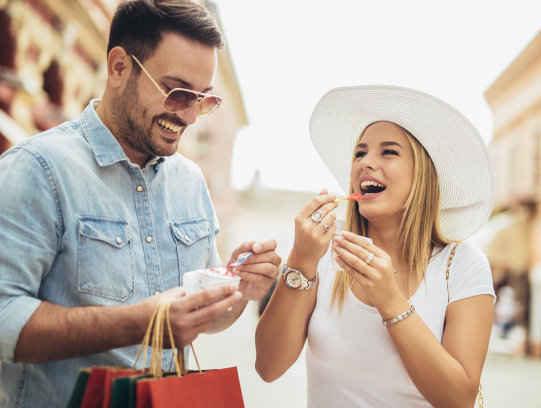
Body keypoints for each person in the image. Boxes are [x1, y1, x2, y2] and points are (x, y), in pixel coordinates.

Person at [0, 1, 280, 406]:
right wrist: (138, 324)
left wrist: (237, 290)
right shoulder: (38, 169)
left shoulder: (191, 182)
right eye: (177, 91)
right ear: (118, 68)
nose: (189, 116)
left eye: (202, 99)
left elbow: (203, 318)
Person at [255, 85, 497, 407]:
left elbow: (458, 399)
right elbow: (268, 367)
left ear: (422, 174)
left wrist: (390, 300)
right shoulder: (324, 251)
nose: (366, 163)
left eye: (388, 151)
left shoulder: (463, 265)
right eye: (360, 152)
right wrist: (299, 261)